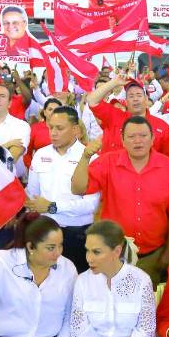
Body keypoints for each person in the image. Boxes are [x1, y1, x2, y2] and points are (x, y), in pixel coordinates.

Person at [72, 117, 169, 285]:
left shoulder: (168, 167)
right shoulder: (108, 162)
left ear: (152, 139)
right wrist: (85, 157)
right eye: (131, 136)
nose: (138, 141)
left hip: (153, 256)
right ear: (122, 140)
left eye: (143, 135)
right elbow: (78, 188)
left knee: (145, 305)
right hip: (114, 256)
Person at [25, 106, 99, 271]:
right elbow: (32, 194)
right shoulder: (40, 155)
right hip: (45, 233)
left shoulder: (90, 157)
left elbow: (91, 205)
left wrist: (52, 207)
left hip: (77, 235)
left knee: (76, 283)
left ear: (75, 130)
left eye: (60, 128)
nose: (53, 132)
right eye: (51, 127)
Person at [86, 73, 169, 157]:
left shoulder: (162, 128)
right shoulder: (114, 116)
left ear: (146, 99)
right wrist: (114, 82)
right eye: (131, 96)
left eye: (139, 95)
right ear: (126, 101)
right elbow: (92, 101)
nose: (135, 99)